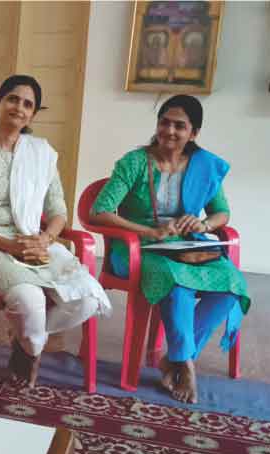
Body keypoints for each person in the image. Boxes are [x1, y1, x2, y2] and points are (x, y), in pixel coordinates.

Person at [0, 74, 111, 386]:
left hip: (32, 239)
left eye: (28, 104)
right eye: (12, 99)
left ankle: (25, 343)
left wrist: (45, 239)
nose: (19, 108)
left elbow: (58, 210)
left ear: (33, 114)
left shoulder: (40, 154)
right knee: (30, 300)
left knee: (87, 298)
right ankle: (31, 347)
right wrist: (7, 246)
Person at [89, 94, 249, 404]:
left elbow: (221, 213)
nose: (170, 131)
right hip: (137, 248)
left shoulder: (204, 166)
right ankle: (186, 366)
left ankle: (174, 358)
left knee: (233, 285)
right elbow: (101, 209)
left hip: (185, 246)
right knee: (175, 283)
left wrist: (203, 226)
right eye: (164, 122)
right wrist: (149, 230)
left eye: (180, 125)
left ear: (194, 133)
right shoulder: (135, 162)